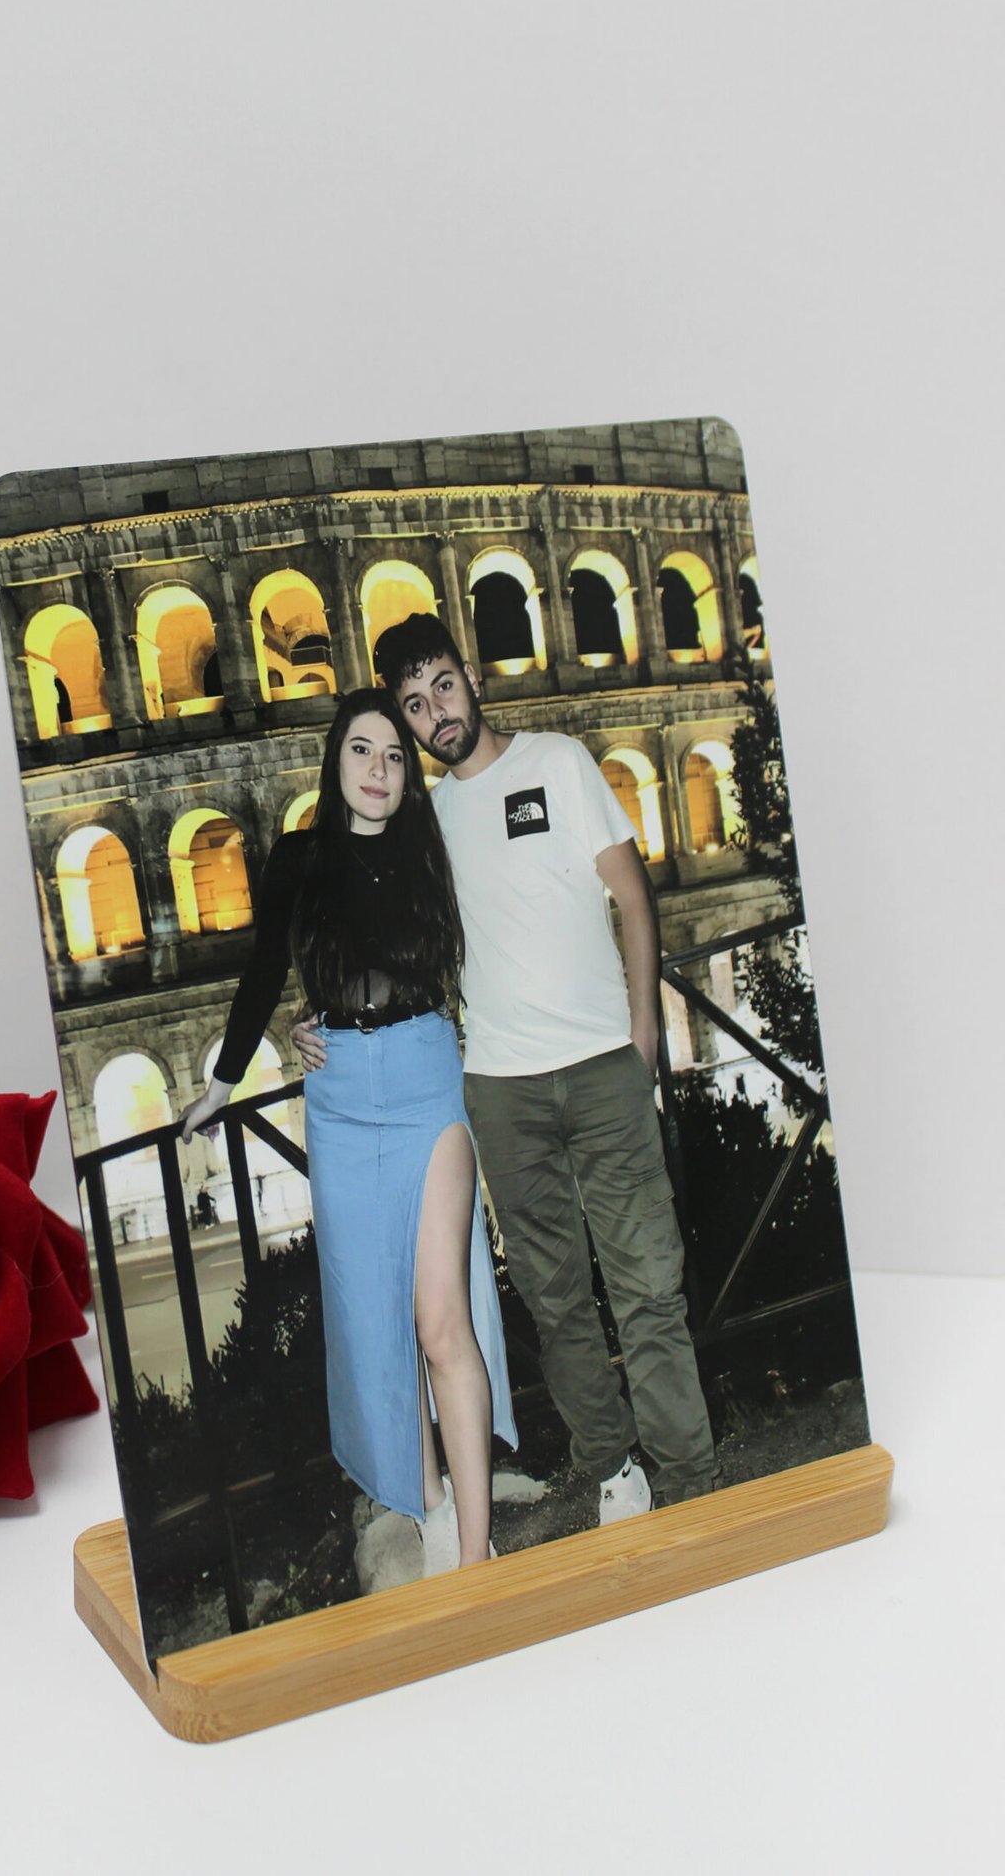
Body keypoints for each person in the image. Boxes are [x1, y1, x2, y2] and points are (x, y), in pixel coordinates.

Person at [306, 612, 717, 1522]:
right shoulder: (424, 821)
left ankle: (690, 1475)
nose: (436, 712)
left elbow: (634, 897)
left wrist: (644, 1036)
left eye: (443, 687)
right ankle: (613, 1469)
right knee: (556, 1297)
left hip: (602, 1064)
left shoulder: (558, 763)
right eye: (415, 705)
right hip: (498, 1088)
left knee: (648, 1282)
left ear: (472, 679)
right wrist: (310, 1014)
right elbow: (358, 921)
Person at [181, 687, 516, 1573]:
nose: (379, 768)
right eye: (363, 749)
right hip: (336, 1099)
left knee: (440, 1319)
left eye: (395, 755)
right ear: (335, 760)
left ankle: (474, 1556)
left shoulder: (428, 848)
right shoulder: (297, 858)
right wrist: (222, 1085)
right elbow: (264, 969)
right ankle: (430, 1504)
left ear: (409, 775)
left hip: (424, 1083)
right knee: (377, 1316)